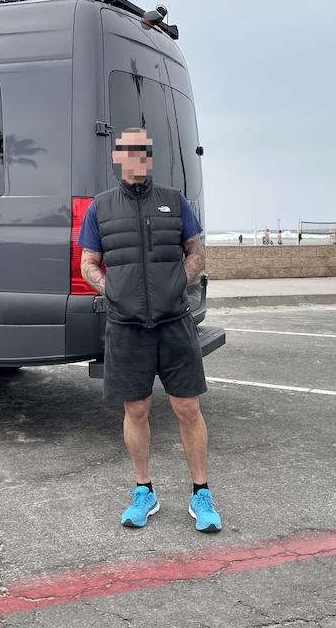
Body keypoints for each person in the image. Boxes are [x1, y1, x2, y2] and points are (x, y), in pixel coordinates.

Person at [77, 127, 222, 533]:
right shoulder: (100, 208)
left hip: (174, 322)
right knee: (136, 409)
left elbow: (197, 251)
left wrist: (179, 281)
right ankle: (144, 490)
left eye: (144, 150)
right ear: (117, 157)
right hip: (126, 325)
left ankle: (201, 494)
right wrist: (114, 291)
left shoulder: (175, 202)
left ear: (150, 157)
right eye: (129, 150)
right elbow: (89, 262)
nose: (137, 156)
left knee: (187, 408)